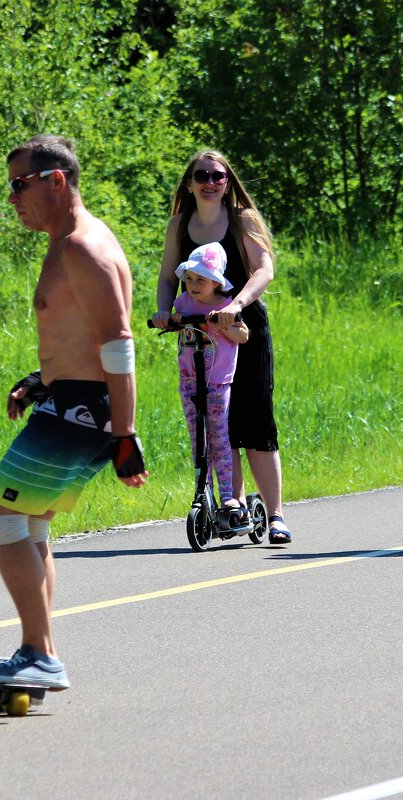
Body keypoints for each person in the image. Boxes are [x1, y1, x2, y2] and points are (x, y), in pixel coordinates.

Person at [0, 135, 147, 691]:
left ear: (56, 181)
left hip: (82, 410)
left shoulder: (79, 247)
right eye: (9, 188)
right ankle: (37, 650)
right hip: (69, 399)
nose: (12, 199)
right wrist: (37, 381)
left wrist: (126, 434)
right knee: (30, 522)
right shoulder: (71, 240)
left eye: (19, 185)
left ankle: (39, 656)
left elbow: (119, 343)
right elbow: (80, 337)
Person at [151, 150, 292, 543]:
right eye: (202, 175)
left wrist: (236, 305)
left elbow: (264, 269)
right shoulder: (180, 225)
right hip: (199, 330)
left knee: (256, 420)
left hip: (243, 325)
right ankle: (232, 504)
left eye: (218, 175)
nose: (210, 182)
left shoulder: (242, 219)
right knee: (218, 424)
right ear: (190, 182)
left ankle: (276, 513)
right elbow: (166, 277)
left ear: (228, 181)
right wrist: (165, 312)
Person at [170, 242, 251, 523]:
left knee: (218, 437)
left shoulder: (227, 306)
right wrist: (164, 319)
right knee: (197, 439)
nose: (192, 284)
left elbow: (243, 336)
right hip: (190, 378)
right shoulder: (183, 302)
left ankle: (228, 494)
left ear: (216, 281)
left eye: (200, 279)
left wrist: (225, 324)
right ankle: (203, 492)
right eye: (190, 278)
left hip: (217, 381)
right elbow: (171, 319)